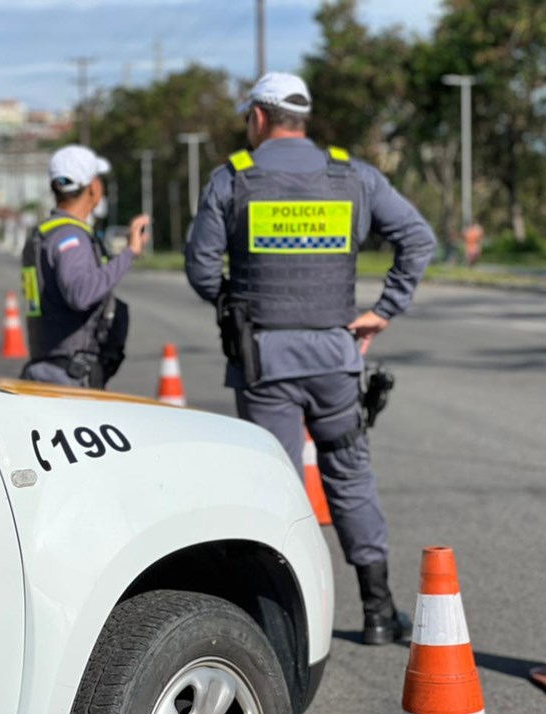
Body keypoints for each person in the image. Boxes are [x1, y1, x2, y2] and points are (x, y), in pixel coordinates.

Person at [184, 72, 437, 645]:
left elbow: (201, 271)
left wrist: (236, 306)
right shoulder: (353, 177)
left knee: (277, 486)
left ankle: (283, 626)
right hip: (335, 358)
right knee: (349, 476)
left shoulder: (234, 179)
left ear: (259, 117)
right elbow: (418, 238)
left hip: (264, 360)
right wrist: (384, 309)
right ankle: (378, 611)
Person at [21, 144, 149, 388]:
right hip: (70, 376)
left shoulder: (44, 235)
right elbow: (81, 293)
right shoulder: (71, 237)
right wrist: (129, 253)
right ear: (93, 188)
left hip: (46, 367)